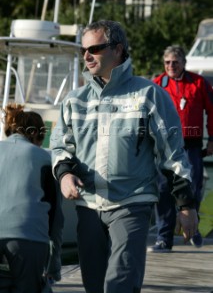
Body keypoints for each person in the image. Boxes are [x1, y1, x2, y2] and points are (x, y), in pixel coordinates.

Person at [50, 20, 198, 293]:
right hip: (88, 207)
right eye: (84, 49)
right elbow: (61, 148)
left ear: (118, 50)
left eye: (94, 48)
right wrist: (64, 174)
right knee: (94, 285)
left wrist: (186, 206)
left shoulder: (149, 95)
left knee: (120, 283)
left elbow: (173, 155)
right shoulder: (73, 100)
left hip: (132, 203)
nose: (86, 55)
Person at [148, 45, 213, 252]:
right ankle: (163, 238)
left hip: (190, 146)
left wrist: (212, 138)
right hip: (163, 148)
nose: (171, 66)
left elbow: (212, 112)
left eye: (175, 62)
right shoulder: (157, 84)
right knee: (163, 190)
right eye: (167, 62)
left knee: (192, 187)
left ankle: (192, 229)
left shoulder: (199, 83)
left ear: (184, 63)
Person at [0, 103, 63, 293]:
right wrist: (54, 265)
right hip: (29, 237)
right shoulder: (44, 158)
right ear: (35, 134)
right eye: (41, 138)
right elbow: (55, 218)